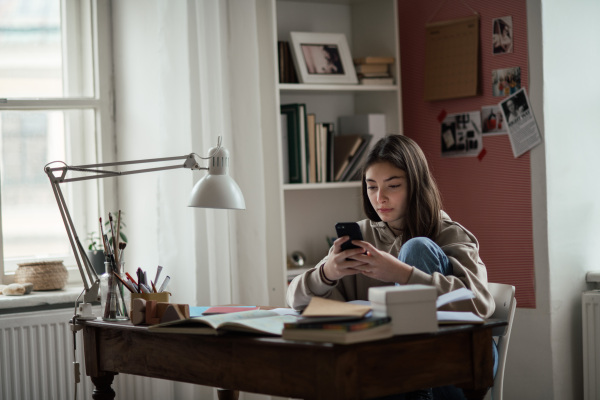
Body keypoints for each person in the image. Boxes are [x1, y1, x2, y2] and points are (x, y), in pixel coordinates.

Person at [286, 135, 496, 400]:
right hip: (387, 370)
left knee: (416, 248)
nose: (380, 197)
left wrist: (402, 274)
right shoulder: (360, 236)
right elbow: (295, 299)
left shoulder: (449, 234)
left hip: (461, 362)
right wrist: (328, 273)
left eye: (392, 185)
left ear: (416, 186)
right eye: (371, 187)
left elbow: (480, 305)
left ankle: (412, 386)